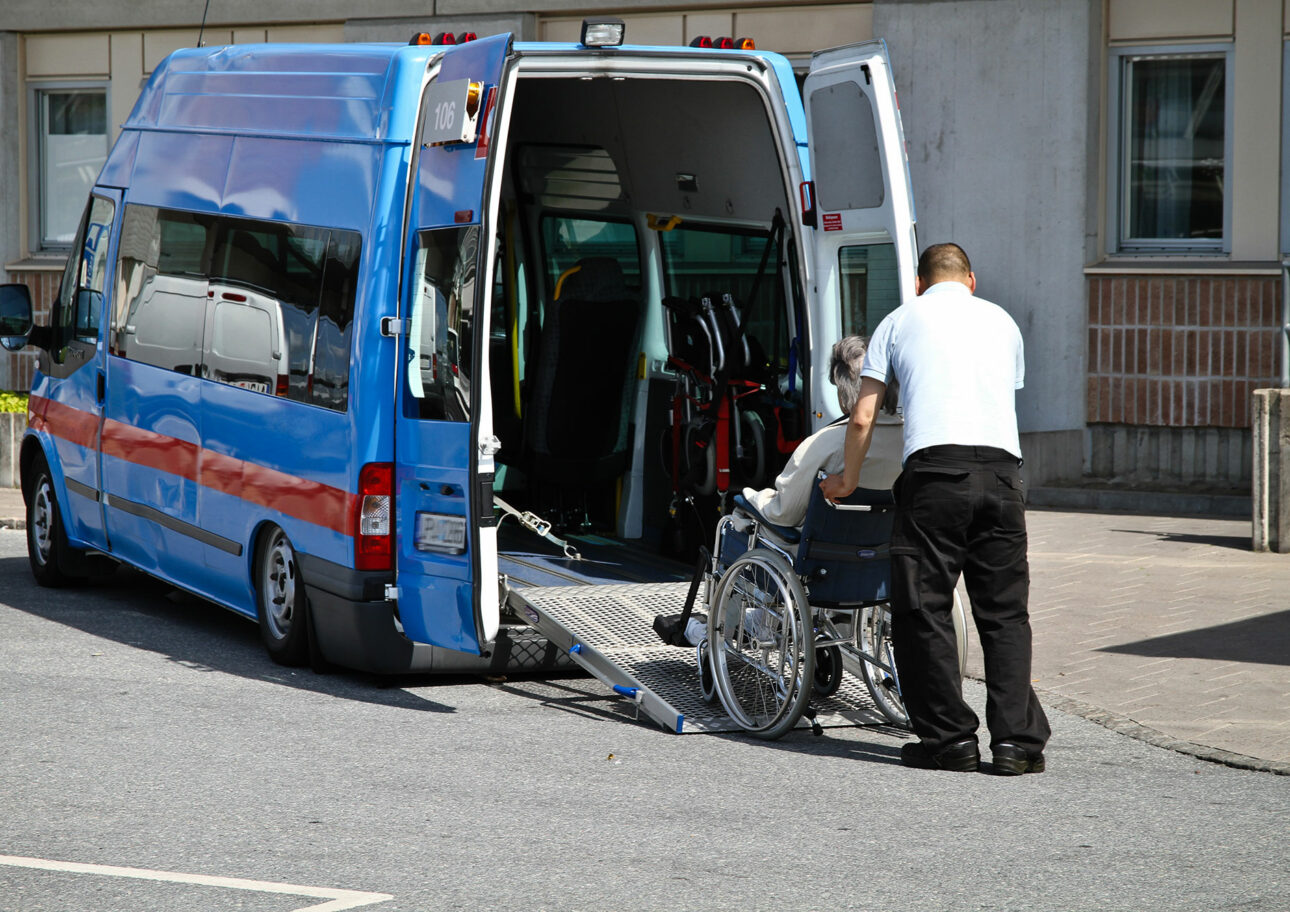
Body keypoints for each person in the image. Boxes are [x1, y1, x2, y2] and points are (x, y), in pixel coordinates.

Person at [819, 243, 1050, 775]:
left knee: (923, 608)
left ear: (919, 283)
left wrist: (847, 480)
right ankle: (1016, 743)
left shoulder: (899, 320)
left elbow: (861, 416)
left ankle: (950, 741)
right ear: (971, 278)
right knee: (1005, 614)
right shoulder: (1003, 322)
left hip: (934, 476)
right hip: (1001, 475)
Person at [741, 335, 901, 528]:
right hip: (884, 548)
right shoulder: (912, 441)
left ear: (844, 391)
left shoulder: (823, 444)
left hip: (828, 550)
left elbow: (784, 514)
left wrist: (752, 497)